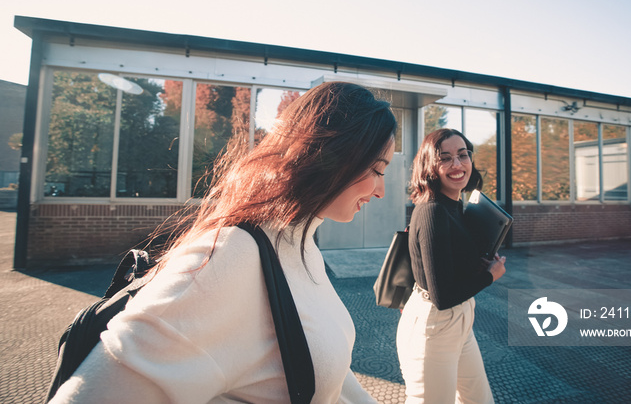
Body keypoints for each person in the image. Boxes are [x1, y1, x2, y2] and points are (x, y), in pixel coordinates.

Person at [49, 81, 397, 403]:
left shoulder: (300, 244)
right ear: (331, 154)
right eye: (378, 170)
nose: (381, 190)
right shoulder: (227, 259)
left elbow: (328, 371)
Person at [396, 128, 506, 403]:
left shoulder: (455, 205)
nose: (457, 165)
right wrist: (490, 277)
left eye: (462, 155)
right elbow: (443, 296)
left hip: (461, 323)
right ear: (430, 166)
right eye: (444, 158)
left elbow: (448, 260)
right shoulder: (432, 210)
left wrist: (478, 265)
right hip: (435, 327)